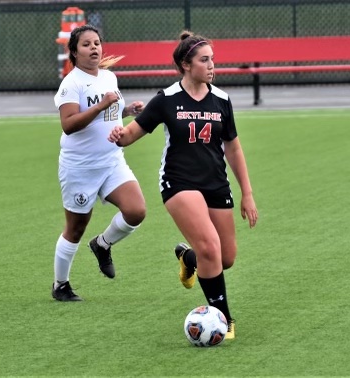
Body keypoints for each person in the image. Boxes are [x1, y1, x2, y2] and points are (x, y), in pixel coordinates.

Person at [107, 30, 259, 339]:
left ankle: (188, 258)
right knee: (210, 247)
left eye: (212, 59)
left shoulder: (222, 100)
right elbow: (132, 133)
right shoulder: (167, 99)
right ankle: (223, 320)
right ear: (185, 65)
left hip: (215, 182)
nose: (211, 65)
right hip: (179, 182)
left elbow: (233, 148)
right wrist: (118, 135)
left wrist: (248, 193)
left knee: (224, 257)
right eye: (204, 60)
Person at [51, 24, 146, 301]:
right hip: (80, 166)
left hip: (111, 160)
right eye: (86, 44)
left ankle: (102, 244)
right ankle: (60, 286)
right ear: (74, 52)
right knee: (76, 227)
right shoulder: (72, 83)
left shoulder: (109, 77)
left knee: (136, 211)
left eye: (97, 43)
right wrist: (101, 106)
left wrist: (126, 111)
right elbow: (68, 125)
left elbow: (109, 116)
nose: (94, 48)